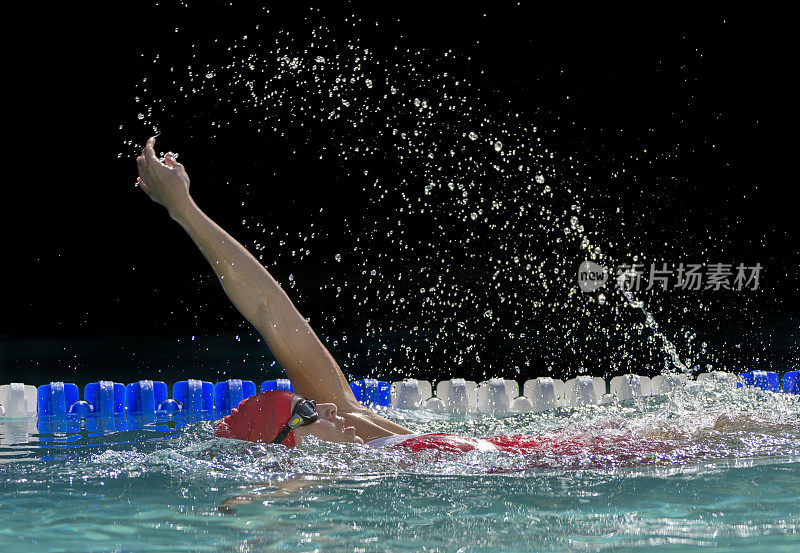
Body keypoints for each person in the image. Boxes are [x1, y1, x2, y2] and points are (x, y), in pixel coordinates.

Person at [135, 137, 739, 457]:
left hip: (554, 450)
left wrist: (185, 209)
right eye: (307, 414)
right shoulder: (343, 464)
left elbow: (272, 314)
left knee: (727, 427)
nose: (329, 409)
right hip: (557, 465)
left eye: (312, 405)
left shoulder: (358, 429)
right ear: (290, 448)